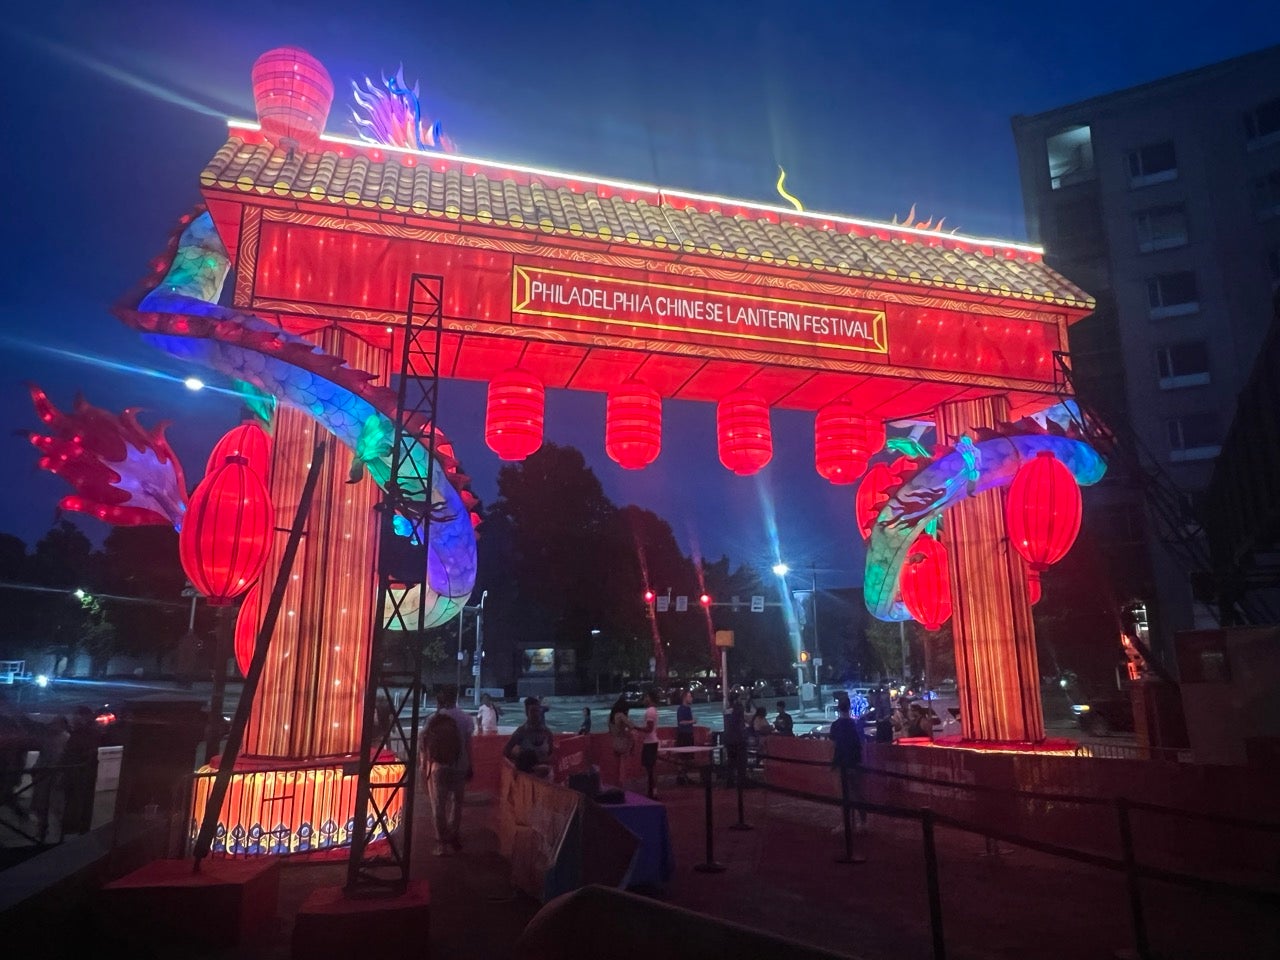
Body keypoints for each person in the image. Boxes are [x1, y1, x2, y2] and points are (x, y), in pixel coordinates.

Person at [421, 685, 474, 855]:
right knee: (457, 803)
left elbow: (423, 743)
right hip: (460, 765)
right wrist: (470, 764)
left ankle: (442, 844)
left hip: (438, 766)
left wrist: (424, 765)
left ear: (441, 697)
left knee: (438, 805)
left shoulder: (434, 718)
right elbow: (468, 744)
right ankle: (454, 834)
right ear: (457, 696)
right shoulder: (466, 718)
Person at [828, 693, 868, 835]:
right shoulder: (856, 724)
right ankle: (863, 822)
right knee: (858, 793)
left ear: (838, 709)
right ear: (850, 708)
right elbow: (862, 743)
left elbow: (833, 745)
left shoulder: (836, 725)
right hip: (855, 761)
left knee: (844, 795)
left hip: (841, 762)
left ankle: (846, 823)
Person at [61, 706, 100, 835]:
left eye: (76, 715)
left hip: (79, 772)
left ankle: (72, 826)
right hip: (80, 771)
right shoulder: (89, 731)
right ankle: (77, 826)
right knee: (79, 800)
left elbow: (77, 750)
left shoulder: (83, 733)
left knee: (76, 799)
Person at [503, 696, 554, 778]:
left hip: (545, 774)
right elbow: (506, 751)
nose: (536, 714)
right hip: (527, 776)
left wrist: (543, 763)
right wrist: (521, 761)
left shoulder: (547, 732)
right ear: (527, 712)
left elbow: (552, 753)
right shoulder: (521, 732)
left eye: (538, 710)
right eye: (533, 711)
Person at [607, 699, 635, 786]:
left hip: (614, 742)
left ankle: (615, 783)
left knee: (616, 765)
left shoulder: (609, 716)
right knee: (623, 765)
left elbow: (610, 731)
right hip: (623, 743)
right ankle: (622, 783)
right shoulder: (621, 715)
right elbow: (632, 726)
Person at [721, 692, 746, 788]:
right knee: (741, 761)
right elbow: (740, 723)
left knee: (731, 761)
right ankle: (741, 781)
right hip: (738, 738)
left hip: (728, 738)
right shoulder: (738, 709)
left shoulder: (726, 710)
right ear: (736, 700)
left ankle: (730, 781)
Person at [639, 689, 660, 799]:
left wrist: (636, 728)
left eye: (646, 697)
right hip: (652, 741)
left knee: (650, 768)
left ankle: (652, 791)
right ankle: (653, 790)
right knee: (651, 768)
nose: (644, 699)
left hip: (650, 742)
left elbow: (649, 728)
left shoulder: (650, 712)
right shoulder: (653, 710)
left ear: (649, 698)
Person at [674, 690, 695, 785]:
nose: (691, 698)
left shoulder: (688, 709)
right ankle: (681, 776)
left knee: (688, 758)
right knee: (682, 756)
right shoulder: (681, 709)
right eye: (689, 696)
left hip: (689, 734)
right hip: (683, 734)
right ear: (685, 698)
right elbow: (681, 722)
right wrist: (691, 722)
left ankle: (684, 775)